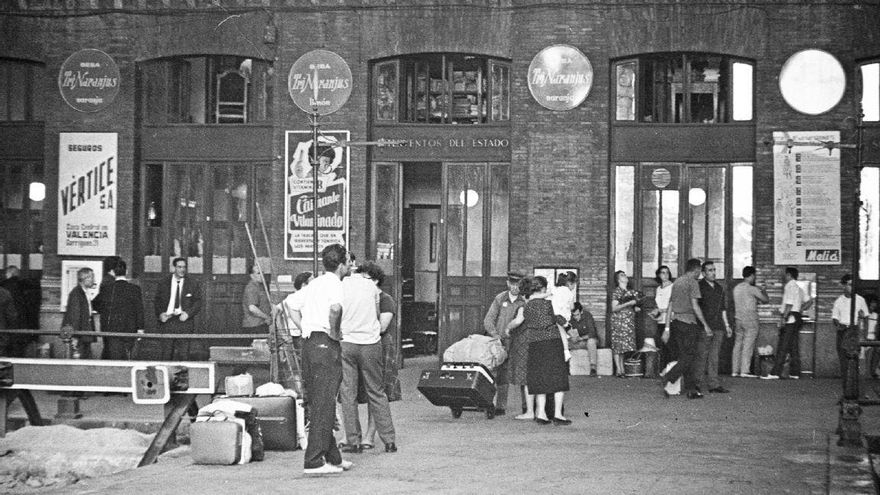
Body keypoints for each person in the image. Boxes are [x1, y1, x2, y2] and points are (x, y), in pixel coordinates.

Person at [289, 243, 353, 475]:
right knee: (325, 403)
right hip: (326, 344)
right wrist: (333, 333)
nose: (350, 265)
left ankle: (332, 457)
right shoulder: (335, 284)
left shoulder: (315, 283)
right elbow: (335, 309)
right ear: (341, 264)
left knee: (320, 401)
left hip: (310, 344)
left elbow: (290, 305)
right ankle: (314, 460)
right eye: (348, 261)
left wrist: (306, 327)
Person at [338, 261, 396, 455]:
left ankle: (352, 441)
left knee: (348, 393)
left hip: (347, 342)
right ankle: (389, 440)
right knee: (377, 391)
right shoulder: (372, 287)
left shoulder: (342, 285)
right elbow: (378, 314)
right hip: (370, 344)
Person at [505, 276, 571, 426]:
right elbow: (558, 321)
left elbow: (518, 321)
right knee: (558, 378)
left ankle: (541, 414)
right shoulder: (549, 303)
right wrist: (567, 333)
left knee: (540, 379)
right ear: (543, 288)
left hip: (535, 343)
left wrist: (508, 328)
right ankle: (558, 415)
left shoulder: (526, 305)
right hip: (552, 340)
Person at [361, 267, 401, 450]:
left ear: (375, 280)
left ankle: (370, 435)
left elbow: (382, 327)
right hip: (364, 346)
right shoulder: (360, 298)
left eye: (365, 278)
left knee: (376, 391)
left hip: (381, 347)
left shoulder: (386, 300)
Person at [662, 258, 711, 399]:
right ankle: (668, 377)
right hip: (689, 323)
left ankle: (691, 390)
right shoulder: (693, 282)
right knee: (690, 356)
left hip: (676, 322)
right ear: (696, 270)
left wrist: (667, 328)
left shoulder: (677, 282)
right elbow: (695, 306)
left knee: (685, 356)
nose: (700, 274)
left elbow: (670, 305)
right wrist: (706, 325)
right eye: (699, 271)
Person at [482, 271, 526, 415]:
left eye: (518, 284)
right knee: (501, 374)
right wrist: (495, 336)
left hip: (519, 343)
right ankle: (500, 406)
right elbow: (488, 321)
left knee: (523, 373)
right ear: (508, 283)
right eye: (512, 284)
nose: (515, 287)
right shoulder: (500, 299)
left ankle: (527, 407)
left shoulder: (525, 300)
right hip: (502, 342)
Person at [92, 259, 145, 360]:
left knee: (113, 358)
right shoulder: (134, 289)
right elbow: (139, 309)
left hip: (111, 330)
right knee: (128, 357)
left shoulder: (106, 288)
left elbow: (95, 304)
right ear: (126, 271)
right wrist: (140, 329)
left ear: (113, 272)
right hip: (130, 330)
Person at [765, 267, 811, 380]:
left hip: (790, 317)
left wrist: (783, 318)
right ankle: (795, 372)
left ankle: (775, 372)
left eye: (785, 275)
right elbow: (810, 301)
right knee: (794, 346)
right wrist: (800, 309)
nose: (784, 277)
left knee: (783, 345)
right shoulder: (799, 288)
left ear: (789, 275)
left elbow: (789, 304)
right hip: (797, 317)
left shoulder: (789, 286)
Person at [153, 257, 202, 360]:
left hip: (184, 322)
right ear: (174, 268)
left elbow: (198, 302)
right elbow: (157, 301)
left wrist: (188, 314)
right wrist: (161, 314)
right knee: (166, 354)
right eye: (179, 267)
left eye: (184, 267)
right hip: (168, 322)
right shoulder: (164, 282)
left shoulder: (192, 283)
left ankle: (183, 376)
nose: (182, 270)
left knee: (184, 355)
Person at [697, 261, 732, 394]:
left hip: (718, 326)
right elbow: (696, 308)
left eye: (714, 270)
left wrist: (727, 325)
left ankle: (714, 384)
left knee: (714, 356)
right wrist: (703, 325)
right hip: (704, 326)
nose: (713, 273)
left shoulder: (719, 288)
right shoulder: (699, 286)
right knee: (701, 355)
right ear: (703, 273)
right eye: (710, 270)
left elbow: (723, 309)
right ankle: (697, 384)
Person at [731, 266, 769, 378]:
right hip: (750, 320)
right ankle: (744, 371)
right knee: (748, 345)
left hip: (738, 319)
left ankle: (734, 370)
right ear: (752, 275)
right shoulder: (752, 289)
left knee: (737, 344)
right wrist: (763, 290)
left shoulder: (736, 288)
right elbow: (765, 300)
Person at [831, 274, 869, 379]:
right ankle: (845, 383)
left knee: (855, 357)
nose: (852, 287)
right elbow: (835, 317)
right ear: (844, 285)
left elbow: (865, 318)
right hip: (843, 330)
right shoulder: (839, 301)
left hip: (855, 330)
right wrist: (838, 325)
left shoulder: (860, 300)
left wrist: (864, 334)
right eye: (849, 284)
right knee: (843, 357)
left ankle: (855, 382)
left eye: (853, 285)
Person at [0, 266, 41, 357]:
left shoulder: (4, 289)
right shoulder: (28, 288)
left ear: (9, 274)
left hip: (6, 330)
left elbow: (10, 315)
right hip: (23, 328)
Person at [62, 267, 96, 359]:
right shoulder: (77, 294)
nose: (94, 280)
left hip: (83, 334)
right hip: (80, 336)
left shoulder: (80, 292)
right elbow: (74, 316)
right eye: (92, 277)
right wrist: (75, 336)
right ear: (85, 278)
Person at [609, 270, 638, 377]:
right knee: (618, 345)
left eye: (625, 274)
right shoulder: (617, 291)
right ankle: (618, 369)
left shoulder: (630, 292)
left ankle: (622, 369)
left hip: (628, 321)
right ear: (618, 279)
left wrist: (635, 307)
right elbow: (614, 307)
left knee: (623, 347)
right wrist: (629, 303)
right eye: (622, 275)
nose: (625, 276)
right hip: (619, 321)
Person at [278, 271, 313, 350]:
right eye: (312, 282)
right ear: (304, 285)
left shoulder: (310, 298)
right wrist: (283, 334)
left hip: (309, 335)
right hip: (298, 337)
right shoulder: (292, 298)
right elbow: (276, 313)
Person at [240, 264, 272, 347]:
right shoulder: (251, 288)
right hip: (255, 326)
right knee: (259, 352)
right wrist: (267, 317)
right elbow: (252, 308)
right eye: (258, 273)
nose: (262, 275)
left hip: (260, 324)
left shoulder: (260, 286)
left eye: (262, 272)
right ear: (252, 276)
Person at [567, 302, 598, 376]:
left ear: (581, 312)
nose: (575, 317)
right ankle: (564, 368)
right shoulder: (571, 318)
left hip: (590, 341)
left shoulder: (587, 316)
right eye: (574, 315)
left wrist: (580, 338)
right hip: (579, 343)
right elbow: (568, 330)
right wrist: (572, 337)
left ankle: (593, 368)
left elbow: (592, 333)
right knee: (563, 343)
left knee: (591, 342)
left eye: (577, 315)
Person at [654, 266, 675, 367]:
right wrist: (656, 312)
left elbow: (674, 306)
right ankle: (664, 369)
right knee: (662, 346)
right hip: (660, 320)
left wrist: (661, 310)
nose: (665, 275)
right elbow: (659, 304)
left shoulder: (672, 287)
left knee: (670, 346)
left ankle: (671, 370)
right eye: (662, 273)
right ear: (659, 275)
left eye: (667, 272)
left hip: (670, 320)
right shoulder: (658, 289)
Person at [866, 299, 880, 379]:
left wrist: (876, 337)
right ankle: (867, 373)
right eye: (872, 304)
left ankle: (873, 372)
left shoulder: (876, 315)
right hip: (866, 337)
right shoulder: (865, 314)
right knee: (867, 356)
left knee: (875, 355)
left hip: (873, 337)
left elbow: (877, 327)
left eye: (875, 304)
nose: (873, 306)